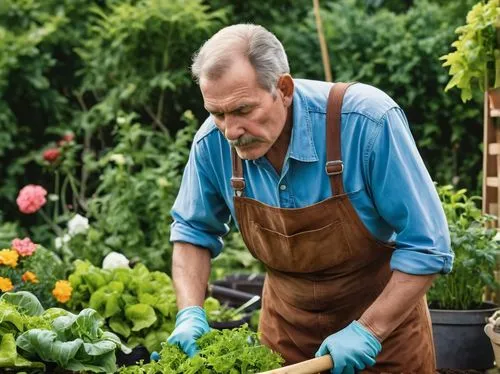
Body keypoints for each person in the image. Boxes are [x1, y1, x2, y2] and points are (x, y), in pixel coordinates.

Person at [166, 24, 453, 373]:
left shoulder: (366, 122)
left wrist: (369, 330)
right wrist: (190, 313)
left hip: (385, 337)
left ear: (283, 89)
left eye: (242, 110)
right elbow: (192, 233)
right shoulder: (212, 144)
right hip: (286, 339)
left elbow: (427, 245)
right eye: (217, 113)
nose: (230, 131)